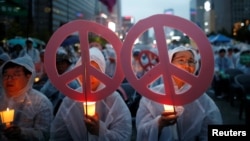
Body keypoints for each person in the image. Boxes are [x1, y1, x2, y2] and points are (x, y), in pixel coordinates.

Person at [136, 46, 222, 141]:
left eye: (190, 61)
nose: (187, 65)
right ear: (169, 64)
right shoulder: (151, 98)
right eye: (181, 60)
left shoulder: (202, 100)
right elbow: (142, 130)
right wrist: (159, 123)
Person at [50, 47, 132, 141]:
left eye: (95, 71)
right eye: (85, 71)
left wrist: (100, 131)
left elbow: (123, 135)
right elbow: (58, 135)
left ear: (102, 71)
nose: (90, 77)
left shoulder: (113, 99)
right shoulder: (70, 101)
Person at [0, 54, 53, 141]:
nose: (9, 79)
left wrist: (21, 132)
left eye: (15, 75)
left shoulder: (40, 102)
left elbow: (44, 135)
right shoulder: (1, 98)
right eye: (6, 75)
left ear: (28, 77)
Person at [39, 47, 80, 115]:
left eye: (62, 63)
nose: (60, 66)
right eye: (57, 64)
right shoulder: (55, 76)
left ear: (67, 64)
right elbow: (44, 92)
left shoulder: (71, 81)